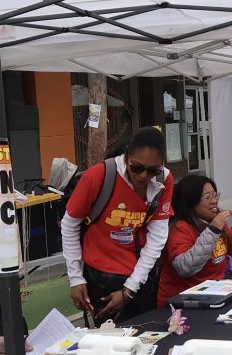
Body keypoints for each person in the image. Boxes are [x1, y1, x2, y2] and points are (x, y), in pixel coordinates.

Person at [62, 127, 174, 324]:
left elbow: (157, 237)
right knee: (111, 342)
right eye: (136, 167)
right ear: (127, 153)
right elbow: (69, 225)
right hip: (101, 274)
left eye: (153, 170)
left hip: (140, 273)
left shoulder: (164, 179)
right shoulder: (98, 176)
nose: (143, 177)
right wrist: (76, 278)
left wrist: (129, 290)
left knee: (147, 338)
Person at [156, 175, 232, 307]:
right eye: (207, 197)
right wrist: (212, 231)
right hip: (182, 304)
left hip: (214, 295)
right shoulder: (180, 228)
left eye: (215, 195)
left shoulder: (215, 223)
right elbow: (184, 268)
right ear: (191, 201)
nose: (214, 201)